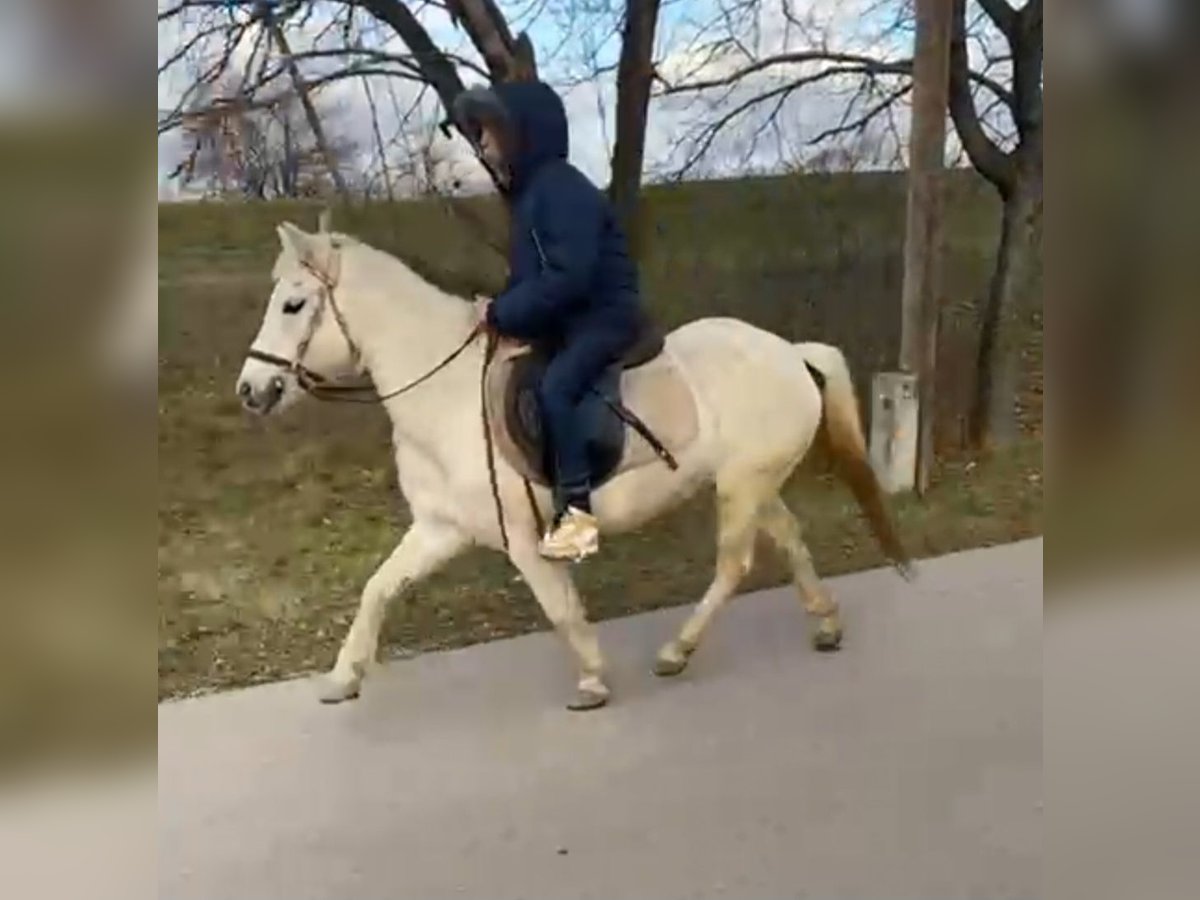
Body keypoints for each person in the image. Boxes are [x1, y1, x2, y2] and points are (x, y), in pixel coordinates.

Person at [453, 81, 643, 562]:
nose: (483, 144)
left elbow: (569, 277)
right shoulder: (533, 194)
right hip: (571, 317)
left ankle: (577, 519)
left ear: (522, 133)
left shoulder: (560, 190)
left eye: (489, 132)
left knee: (556, 386)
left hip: (603, 316)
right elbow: (530, 280)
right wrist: (498, 308)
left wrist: (503, 312)